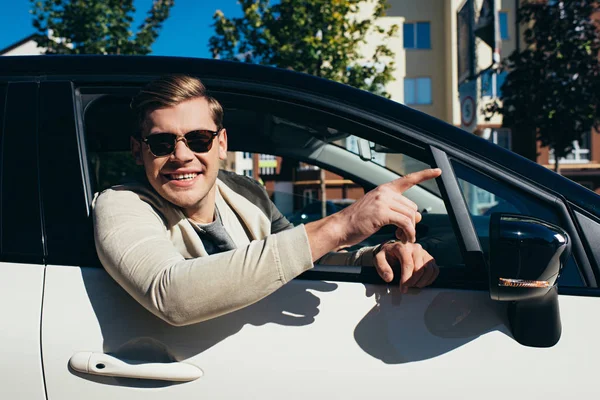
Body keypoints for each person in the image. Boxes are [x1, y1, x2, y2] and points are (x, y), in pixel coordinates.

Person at [92, 74, 442, 327]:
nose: (182, 155)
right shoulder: (120, 204)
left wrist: (377, 258)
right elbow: (172, 295)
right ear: (139, 151)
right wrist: (341, 224)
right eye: (162, 143)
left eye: (199, 139)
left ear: (222, 143)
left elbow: (303, 255)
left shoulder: (248, 193)